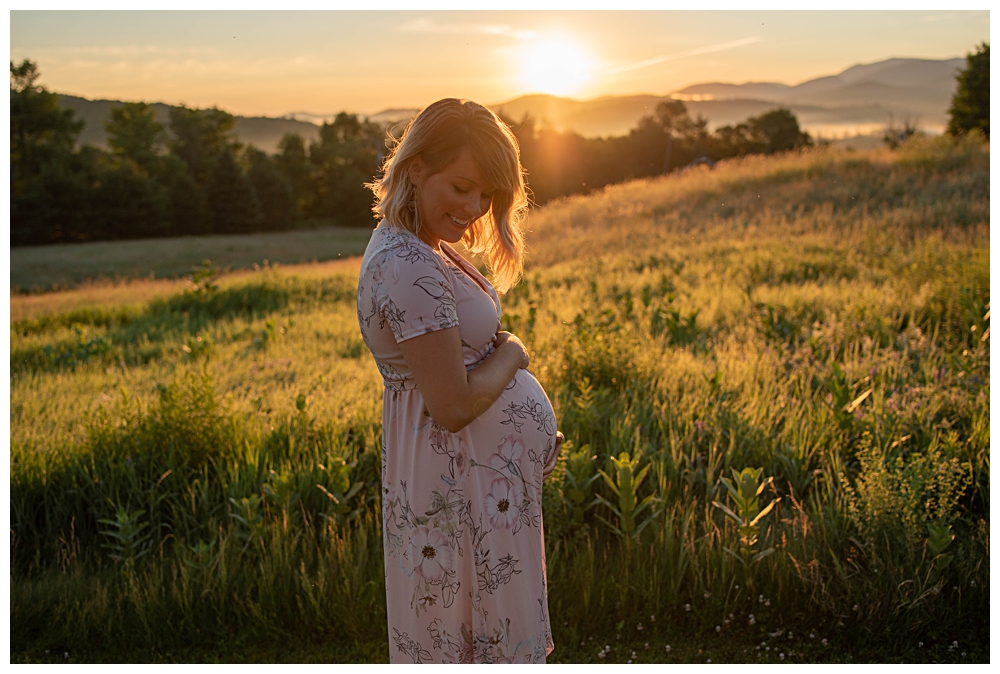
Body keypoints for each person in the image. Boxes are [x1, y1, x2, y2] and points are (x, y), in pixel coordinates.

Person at [357, 98, 563, 663]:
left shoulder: (427, 249)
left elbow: (458, 371)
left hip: (476, 483)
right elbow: (451, 406)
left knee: (470, 631)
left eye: (485, 196)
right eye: (462, 187)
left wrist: (526, 437)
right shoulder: (410, 265)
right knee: (463, 634)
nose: (474, 208)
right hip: (456, 485)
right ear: (416, 167)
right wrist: (515, 355)